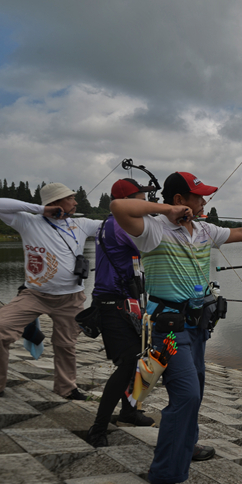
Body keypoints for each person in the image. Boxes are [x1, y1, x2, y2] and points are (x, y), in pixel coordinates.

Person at [111, 171, 242, 484]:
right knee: (187, 395)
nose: (204, 201)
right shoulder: (153, 231)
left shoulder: (204, 229)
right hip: (169, 331)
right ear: (179, 200)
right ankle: (165, 472)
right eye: (198, 196)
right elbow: (118, 208)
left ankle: (186, 445)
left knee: (196, 391)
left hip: (198, 326)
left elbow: (240, 233)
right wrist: (165, 211)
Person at [0, 183, 103, 399]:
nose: (75, 202)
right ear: (56, 202)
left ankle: (66, 388)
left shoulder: (82, 224)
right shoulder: (28, 221)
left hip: (71, 298)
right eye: (71, 198)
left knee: (65, 344)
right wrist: (39, 209)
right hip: (33, 295)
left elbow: (118, 224)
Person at [86, 178, 157, 448]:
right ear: (128, 201)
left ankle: (129, 411)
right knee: (127, 363)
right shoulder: (120, 225)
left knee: (138, 360)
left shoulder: (110, 222)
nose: (146, 202)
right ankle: (98, 427)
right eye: (142, 197)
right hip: (113, 302)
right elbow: (152, 247)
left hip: (123, 301)